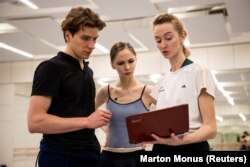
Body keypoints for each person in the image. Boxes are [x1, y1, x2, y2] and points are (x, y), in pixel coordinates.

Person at [27, 6, 112, 167]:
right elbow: (35, 122)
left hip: (89, 153)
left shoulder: (87, 71)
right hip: (60, 156)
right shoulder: (51, 68)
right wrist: (87, 121)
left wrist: (105, 127)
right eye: (85, 38)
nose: (92, 45)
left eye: (95, 39)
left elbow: (78, 112)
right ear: (68, 35)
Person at [149, 13, 217, 151]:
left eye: (168, 38)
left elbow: (211, 128)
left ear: (183, 36)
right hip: (162, 149)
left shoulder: (199, 72)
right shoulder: (161, 82)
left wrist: (180, 142)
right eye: (158, 40)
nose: (163, 45)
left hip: (191, 148)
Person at [95, 42, 156, 167]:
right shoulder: (106, 91)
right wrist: (107, 130)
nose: (127, 67)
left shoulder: (148, 91)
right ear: (112, 65)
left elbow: (168, 117)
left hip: (137, 156)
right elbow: (87, 114)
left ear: (136, 61)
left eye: (131, 61)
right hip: (109, 157)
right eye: (121, 63)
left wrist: (151, 136)